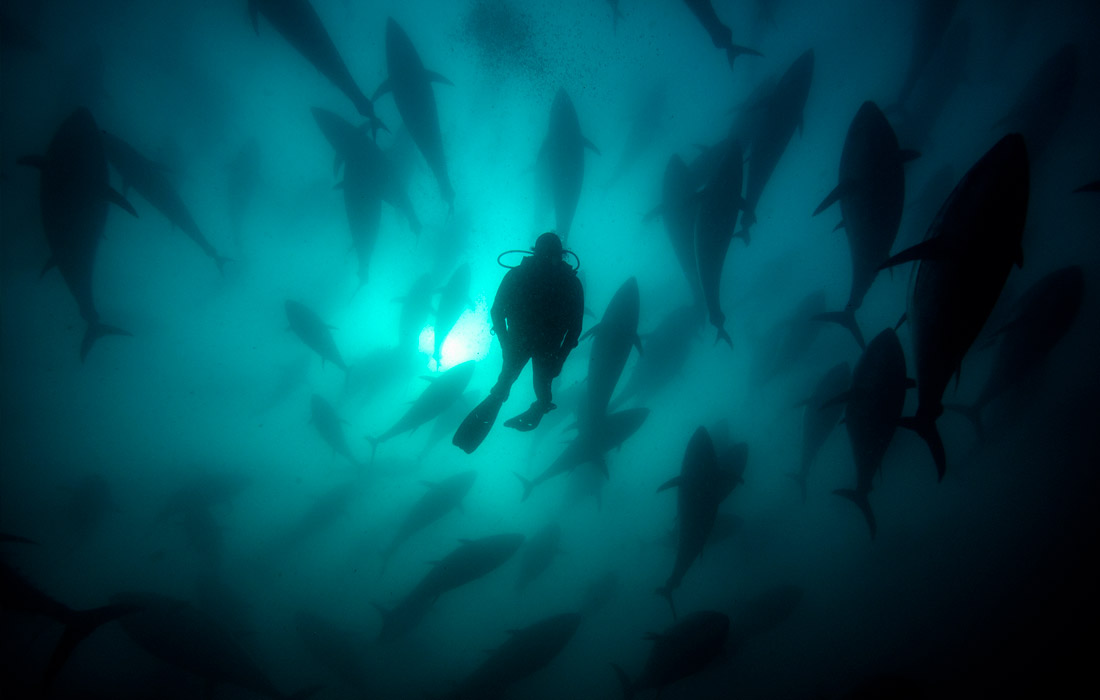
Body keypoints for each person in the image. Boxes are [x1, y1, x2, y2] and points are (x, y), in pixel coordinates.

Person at [453, 232, 584, 454]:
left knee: (525, 387)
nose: (547, 260)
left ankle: (538, 405)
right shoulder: (565, 282)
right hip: (532, 346)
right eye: (546, 255)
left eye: (550, 256)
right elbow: (574, 328)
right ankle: (537, 405)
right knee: (515, 386)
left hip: (526, 345)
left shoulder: (526, 277)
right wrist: (507, 345)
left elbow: (574, 328)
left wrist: (558, 358)